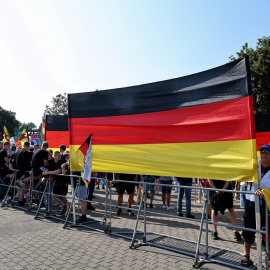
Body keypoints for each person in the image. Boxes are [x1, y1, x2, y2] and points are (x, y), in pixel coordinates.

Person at [241, 144, 270, 267]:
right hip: (251, 202)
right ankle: (246, 255)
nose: (264, 154)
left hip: (267, 205)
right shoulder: (254, 166)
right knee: (248, 228)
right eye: (262, 151)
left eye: (267, 152)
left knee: (267, 231)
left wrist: (264, 193)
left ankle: (268, 256)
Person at [43, 151, 67, 216]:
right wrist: (45, 172)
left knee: (63, 195)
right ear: (55, 156)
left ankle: (64, 209)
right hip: (56, 180)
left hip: (63, 180)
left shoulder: (62, 161)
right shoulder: (50, 161)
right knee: (53, 195)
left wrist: (48, 173)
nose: (60, 156)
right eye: (58, 155)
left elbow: (58, 171)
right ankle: (64, 205)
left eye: (60, 155)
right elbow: (48, 169)